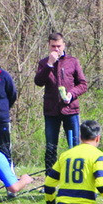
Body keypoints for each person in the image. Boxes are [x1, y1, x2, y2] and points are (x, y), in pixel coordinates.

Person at [34, 32, 88, 172]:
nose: (56, 49)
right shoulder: (43, 63)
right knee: (51, 146)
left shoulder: (73, 61)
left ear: (64, 45)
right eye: (53, 46)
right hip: (51, 111)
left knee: (74, 145)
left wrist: (71, 94)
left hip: (71, 109)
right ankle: (50, 178)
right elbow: (38, 82)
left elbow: (83, 84)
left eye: (59, 46)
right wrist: (49, 65)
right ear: (49, 46)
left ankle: (76, 176)